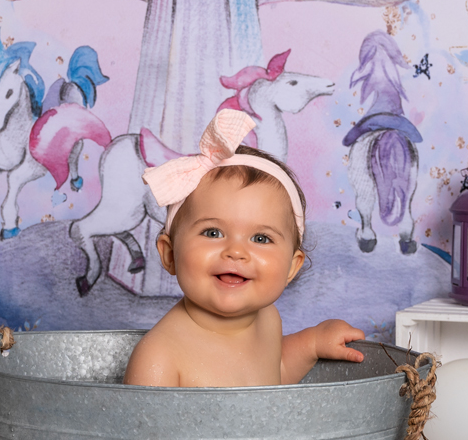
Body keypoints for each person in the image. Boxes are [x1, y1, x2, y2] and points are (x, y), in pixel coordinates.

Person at [123, 108, 366, 387]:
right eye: (212, 232)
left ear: (291, 266)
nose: (236, 252)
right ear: (169, 254)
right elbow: (141, 429)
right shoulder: (159, 357)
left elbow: (270, 379)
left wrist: (311, 344)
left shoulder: (268, 319)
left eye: (261, 238)